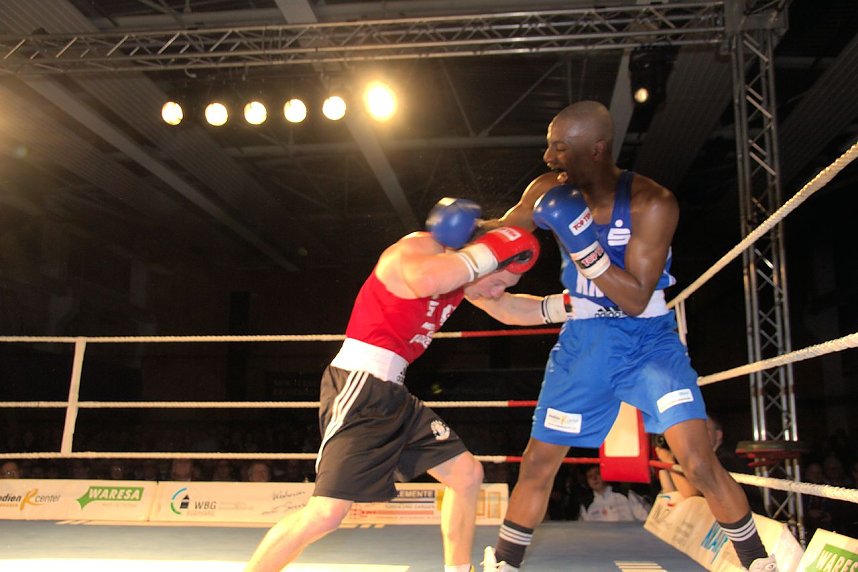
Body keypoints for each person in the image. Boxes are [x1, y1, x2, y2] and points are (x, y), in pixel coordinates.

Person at [471, 100, 778, 572]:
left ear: (596, 149)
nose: (549, 157)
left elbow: (635, 298)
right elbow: (504, 233)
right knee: (538, 463)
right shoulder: (548, 189)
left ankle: (757, 562)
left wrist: (583, 246)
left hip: (648, 340)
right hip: (585, 343)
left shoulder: (652, 203)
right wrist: (458, 233)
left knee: (697, 462)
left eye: (560, 147)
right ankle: (506, 563)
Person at [243, 203, 541, 572]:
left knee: (466, 475)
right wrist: (489, 251)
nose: (497, 292)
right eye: (498, 282)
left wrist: (574, 306)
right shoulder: (416, 250)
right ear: (480, 257)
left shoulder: (462, 276)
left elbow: (513, 310)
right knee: (326, 514)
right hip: (360, 385)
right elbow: (426, 280)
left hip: (393, 392)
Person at [579, 465, 650, 522]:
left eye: (597, 473)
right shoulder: (586, 504)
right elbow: (584, 531)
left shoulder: (625, 495)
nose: (594, 478)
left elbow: (646, 519)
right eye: (590, 476)